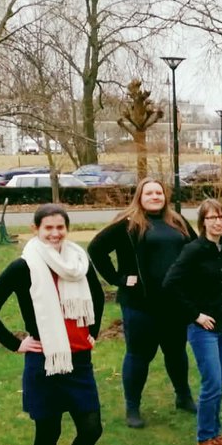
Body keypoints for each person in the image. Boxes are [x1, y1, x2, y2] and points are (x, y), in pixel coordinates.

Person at [0, 204, 111, 445]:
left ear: (67, 229)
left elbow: (99, 296)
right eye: (48, 228)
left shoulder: (79, 262)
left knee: (91, 427)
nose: (54, 233)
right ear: (37, 229)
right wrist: (17, 342)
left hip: (79, 360)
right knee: (48, 432)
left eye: (59, 228)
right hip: (44, 362)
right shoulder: (24, 266)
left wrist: (91, 334)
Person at [89, 177, 196, 428]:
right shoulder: (128, 223)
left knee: (176, 352)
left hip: (174, 303)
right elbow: (96, 249)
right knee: (139, 355)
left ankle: (183, 396)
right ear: (140, 196)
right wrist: (118, 278)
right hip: (140, 304)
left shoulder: (177, 221)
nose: (155, 196)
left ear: (165, 196)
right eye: (149, 193)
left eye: (159, 192)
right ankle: (132, 407)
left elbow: (194, 248)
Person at [164, 199, 222, 445]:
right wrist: (195, 315)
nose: (218, 222)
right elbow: (171, 285)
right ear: (203, 222)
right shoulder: (193, 250)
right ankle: (203, 440)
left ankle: (216, 433)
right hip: (203, 329)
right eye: (212, 218)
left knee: (218, 383)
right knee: (211, 383)